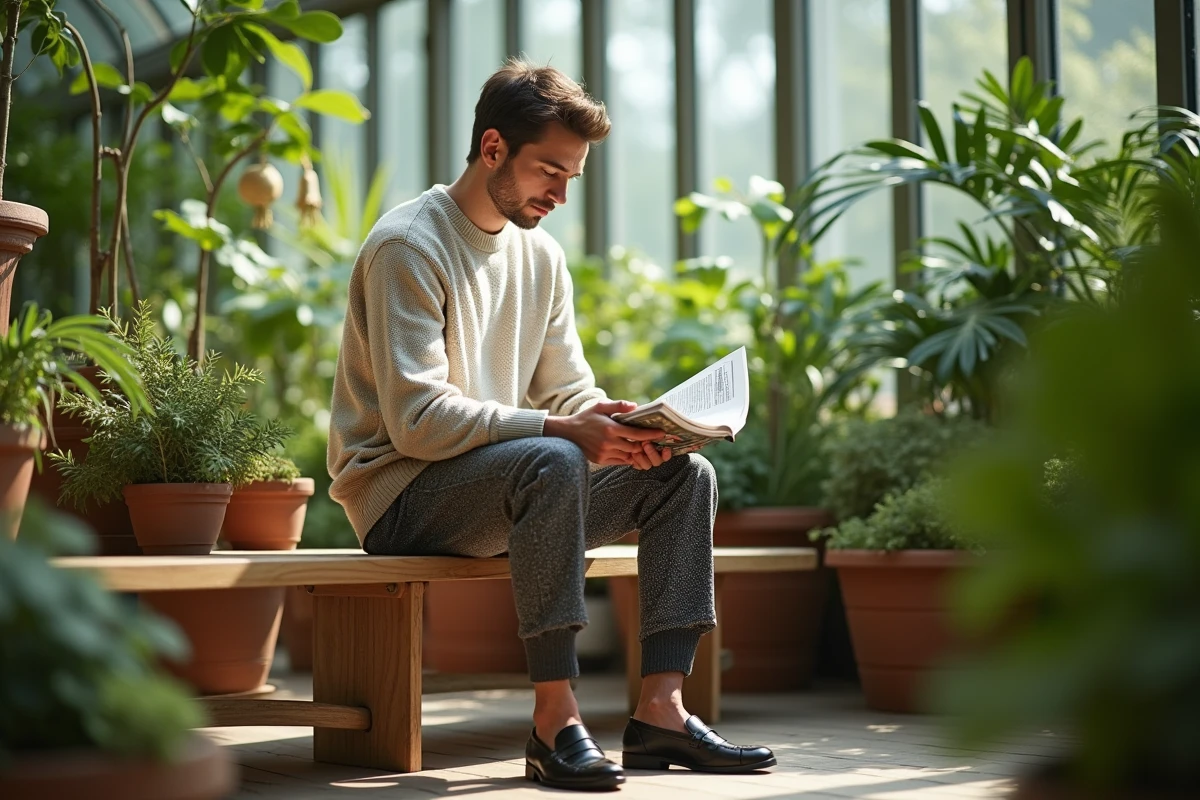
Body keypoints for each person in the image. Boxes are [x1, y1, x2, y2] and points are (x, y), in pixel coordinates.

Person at [327, 58, 775, 791]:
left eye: (572, 177)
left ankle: (661, 713)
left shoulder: (541, 255)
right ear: (494, 148)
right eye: (550, 172)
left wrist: (617, 421)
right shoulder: (408, 246)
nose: (561, 194)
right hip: (403, 494)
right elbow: (414, 423)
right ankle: (554, 721)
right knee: (554, 461)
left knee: (682, 475)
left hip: (509, 481)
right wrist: (560, 431)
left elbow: (566, 392)